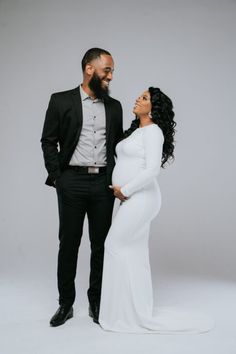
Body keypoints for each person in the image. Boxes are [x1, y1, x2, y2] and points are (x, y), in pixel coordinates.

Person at [98, 87, 214, 333]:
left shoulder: (153, 132)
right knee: (134, 253)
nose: (138, 99)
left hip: (141, 198)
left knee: (114, 245)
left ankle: (123, 314)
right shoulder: (136, 131)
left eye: (145, 98)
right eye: (140, 96)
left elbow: (152, 170)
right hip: (130, 198)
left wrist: (125, 190)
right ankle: (128, 311)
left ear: (154, 107)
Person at [40, 48, 123, 327]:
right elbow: (48, 140)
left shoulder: (115, 106)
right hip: (71, 182)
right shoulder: (61, 100)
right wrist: (58, 177)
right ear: (89, 69)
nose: (111, 75)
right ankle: (65, 304)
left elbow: (118, 146)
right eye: (107, 70)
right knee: (69, 243)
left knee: (100, 245)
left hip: (102, 183)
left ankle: (96, 301)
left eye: (112, 70)